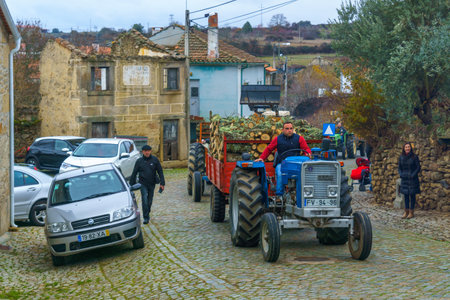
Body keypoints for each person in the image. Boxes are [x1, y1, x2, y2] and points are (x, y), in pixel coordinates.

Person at [255, 121, 311, 196]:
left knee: (306, 173)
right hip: (282, 163)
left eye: (291, 128)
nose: (289, 130)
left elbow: (306, 149)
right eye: (287, 128)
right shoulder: (278, 139)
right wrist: (262, 158)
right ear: (283, 130)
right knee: (281, 173)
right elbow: (269, 149)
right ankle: (279, 195)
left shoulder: (299, 138)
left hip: (296, 164)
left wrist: (308, 154)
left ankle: (305, 193)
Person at [130, 145, 165, 224]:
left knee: (149, 201)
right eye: (145, 151)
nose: (147, 152)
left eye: (148, 151)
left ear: (150, 151)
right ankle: (146, 218)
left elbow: (160, 171)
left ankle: (147, 212)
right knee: (144, 199)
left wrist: (162, 183)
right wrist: (131, 185)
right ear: (143, 151)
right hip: (143, 184)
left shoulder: (155, 160)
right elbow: (134, 173)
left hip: (152, 183)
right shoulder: (139, 161)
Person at [398, 142, 421, 219]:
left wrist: (413, 175)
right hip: (404, 179)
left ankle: (411, 212)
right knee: (406, 195)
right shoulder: (401, 157)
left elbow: (418, 167)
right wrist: (401, 174)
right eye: (406, 147)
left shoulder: (414, 157)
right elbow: (399, 168)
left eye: (408, 147)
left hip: (412, 179)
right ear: (404, 149)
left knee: (412, 195)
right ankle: (406, 211)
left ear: (410, 148)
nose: (407, 148)